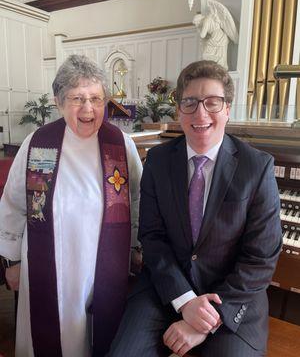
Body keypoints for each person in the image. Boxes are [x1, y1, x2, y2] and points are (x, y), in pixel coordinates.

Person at [108, 60, 282, 357]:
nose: (200, 114)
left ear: (227, 109)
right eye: (190, 102)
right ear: (179, 109)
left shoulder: (257, 167)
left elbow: (260, 258)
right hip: (165, 289)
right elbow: (151, 237)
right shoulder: (159, 161)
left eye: (212, 103)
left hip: (231, 296)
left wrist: (204, 322)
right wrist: (185, 301)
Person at [0, 54, 142, 357]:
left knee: (100, 336)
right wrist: (12, 261)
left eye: (96, 98)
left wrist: (135, 247)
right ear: (58, 101)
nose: (88, 109)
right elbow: (13, 204)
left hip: (106, 264)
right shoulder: (38, 144)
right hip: (49, 265)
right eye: (77, 98)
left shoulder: (121, 144)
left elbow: (139, 199)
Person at [193, 0, 238, 70]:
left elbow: (202, 35)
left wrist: (199, 29)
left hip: (218, 37)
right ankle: (220, 66)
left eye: (197, 23)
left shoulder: (206, 21)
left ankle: (219, 65)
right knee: (210, 54)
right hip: (219, 36)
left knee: (205, 54)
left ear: (199, 20)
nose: (197, 25)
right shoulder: (209, 17)